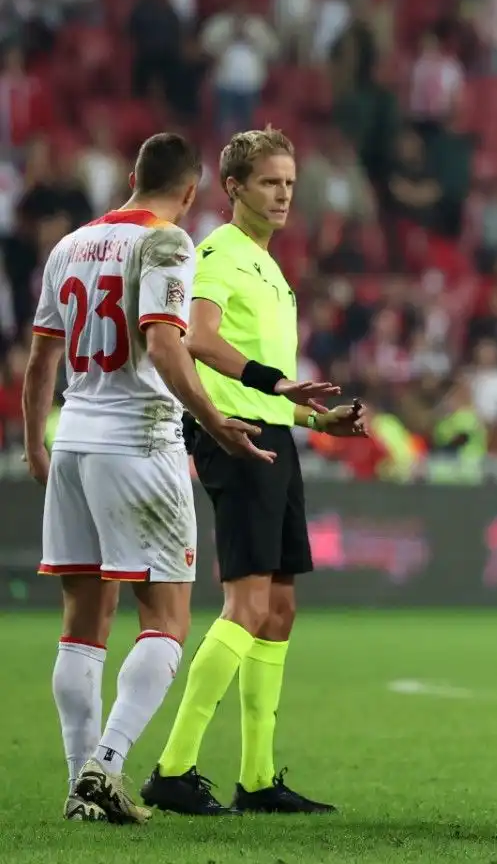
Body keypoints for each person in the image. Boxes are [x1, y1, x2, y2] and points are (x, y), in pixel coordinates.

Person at [27, 133, 272, 823]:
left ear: (132, 175)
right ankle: (106, 764)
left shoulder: (69, 246)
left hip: (73, 438)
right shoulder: (168, 244)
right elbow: (165, 343)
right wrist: (217, 420)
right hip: (139, 439)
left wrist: (34, 448)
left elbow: (39, 360)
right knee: (166, 617)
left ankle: (82, 787)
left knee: (82, 625)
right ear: (192, 193)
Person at [141, 128, 368, 817]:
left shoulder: (269, 267)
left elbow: (264, 391)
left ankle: (258, 777)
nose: (283, 195)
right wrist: (278, 385)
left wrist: (310, 421)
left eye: (290, 184)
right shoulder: (217, 256)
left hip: (271, 436)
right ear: (232, 186)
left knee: (279, 610)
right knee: (246, 605)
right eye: (270, 182)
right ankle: (173, 769)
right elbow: (197, 337)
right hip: (233, 441)